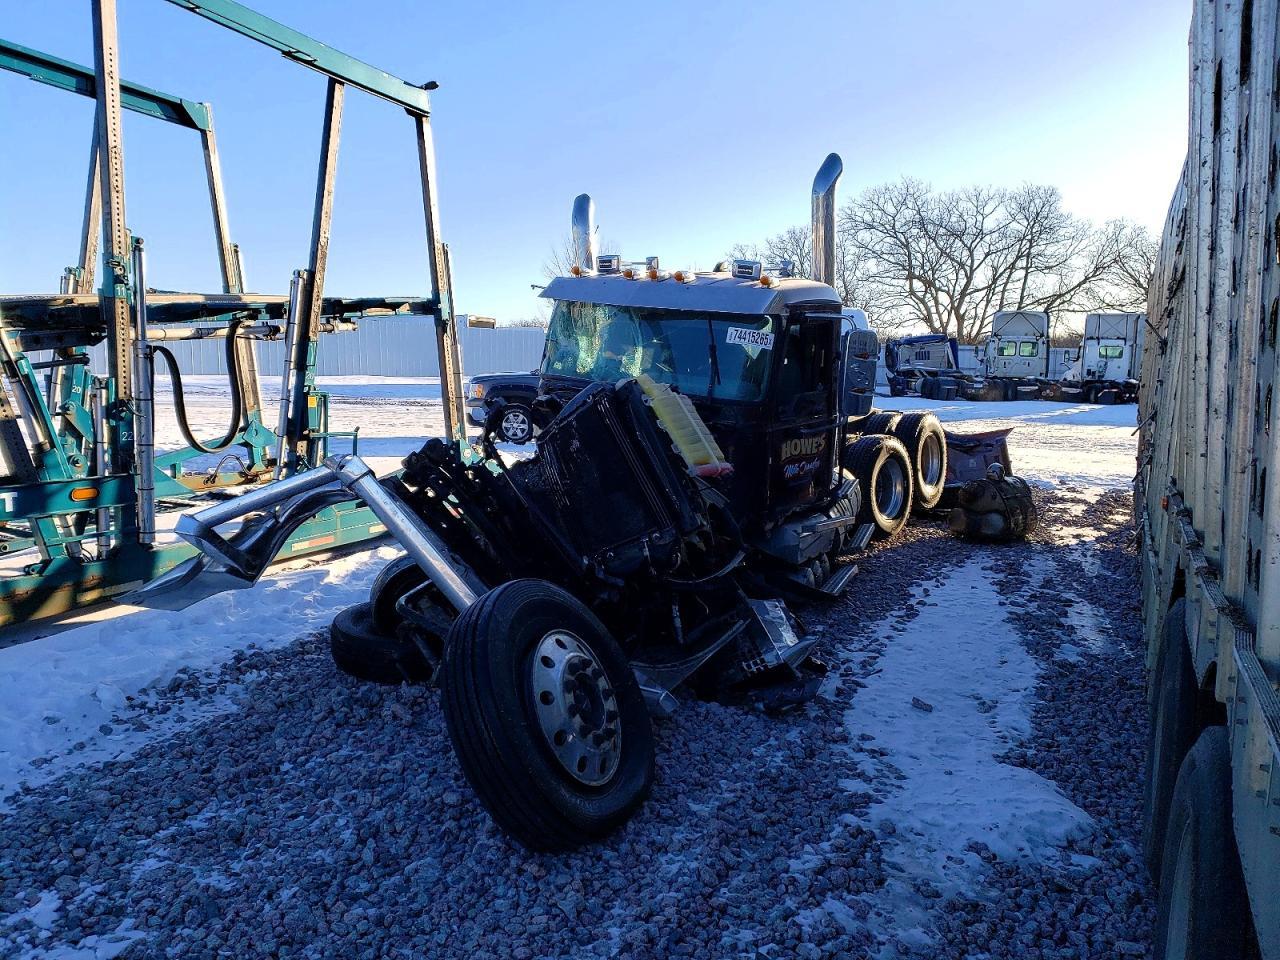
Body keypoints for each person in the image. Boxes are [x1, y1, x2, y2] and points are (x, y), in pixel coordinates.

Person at [592, 318, 639, 382]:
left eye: (603, 333)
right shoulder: (605, 345)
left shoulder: (625, 346)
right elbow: (605, 354)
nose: (601, 336)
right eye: (601, 334)